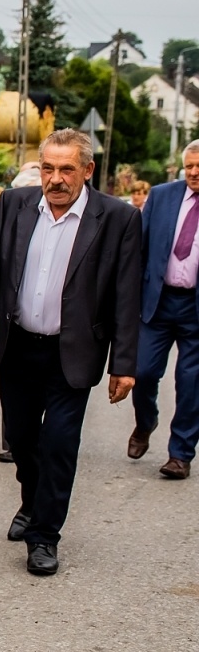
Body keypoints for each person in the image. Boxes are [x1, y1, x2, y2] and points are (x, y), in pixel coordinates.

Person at [0, 129, 140, 576]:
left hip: (73, 351)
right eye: (48, 168)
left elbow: (126, 294)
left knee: (59, 443)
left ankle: (44, 536)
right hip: (18, 344)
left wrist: (124, 364)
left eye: (66, 169)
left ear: (87, 170)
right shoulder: (16, 206)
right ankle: (31, 502)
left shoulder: (116, 218)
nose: (55, 179)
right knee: (21, 441)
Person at [129, 141, 199, 480]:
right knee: (141, 372)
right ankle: (146, 421)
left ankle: (180, 454)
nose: (194, 173)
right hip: (157, 301)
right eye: (189, 167)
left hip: (195, 309)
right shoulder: (162, 196)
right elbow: (138, 247)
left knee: (191, 383)